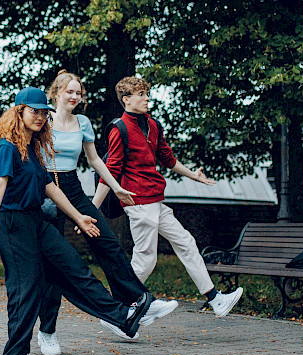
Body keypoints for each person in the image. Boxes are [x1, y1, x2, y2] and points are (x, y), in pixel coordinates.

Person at [0, 87, 165, 355]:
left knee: (74, 267)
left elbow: (50, 187)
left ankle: (123, 316)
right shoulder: (6, 147)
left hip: (37, 220)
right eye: (34, 111)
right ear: (19, 112)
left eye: (44, 113)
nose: (40, 117)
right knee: (26, 288)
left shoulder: (34, 147)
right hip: (12, 224)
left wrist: (79, 216)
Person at [36, 71, 178, 355]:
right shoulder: (43, 121)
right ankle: (47, 332)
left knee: (108, 242)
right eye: (69, 92)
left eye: (79, 93)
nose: (75, 97)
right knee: (54, 266)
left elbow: (95, 160)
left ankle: (138, 301)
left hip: (73, 186)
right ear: (57, 93)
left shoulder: (83, 122)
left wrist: (116, 187)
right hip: (45, 188)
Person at [95, 76, 243, 317]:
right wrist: (92, 209)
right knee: (146, 260)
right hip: (138, 202)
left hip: (156, 200)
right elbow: (109, 171)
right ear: (127, 99)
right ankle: (117, 310)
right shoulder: (119, 129)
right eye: (141, 94)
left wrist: (194, 176)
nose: (147, 98)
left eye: (147, 93)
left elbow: (167, 158)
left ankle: (215, 299)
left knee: (186, 243)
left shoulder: (153, 125)